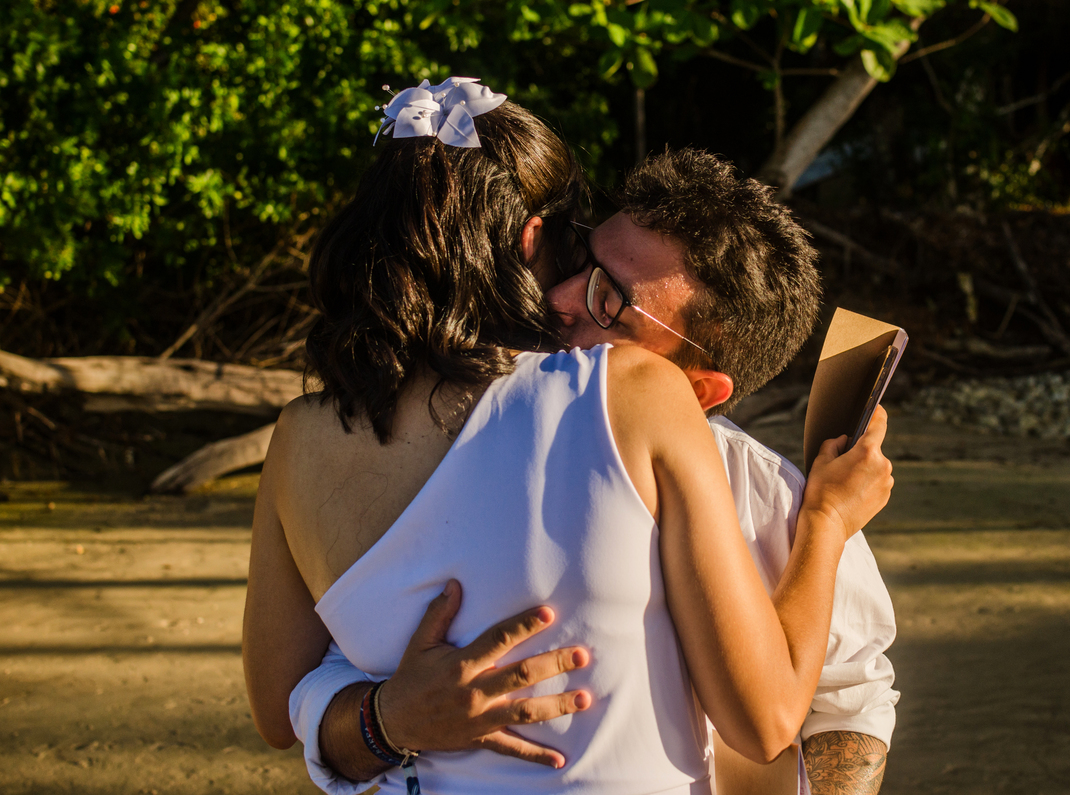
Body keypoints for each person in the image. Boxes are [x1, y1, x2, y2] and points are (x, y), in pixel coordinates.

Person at [243, 79, 893, 795]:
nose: (559, 298)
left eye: (608, 299)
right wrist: (386, 719)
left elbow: (846, 695)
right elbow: (295, 700)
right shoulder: (619, 400)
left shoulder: (302, 437)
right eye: (580, 257)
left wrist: (823, 522)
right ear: (531, 241)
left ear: (701, 388)